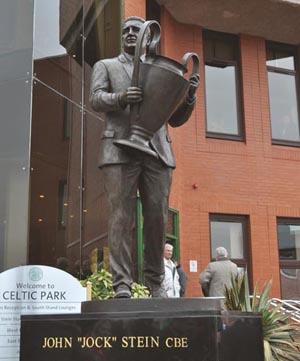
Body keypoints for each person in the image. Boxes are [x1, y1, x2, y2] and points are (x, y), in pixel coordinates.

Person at [90, 16, 199, 298]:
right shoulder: (107, 66)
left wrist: (188, 97)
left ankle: (155, 283)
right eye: (125, 30)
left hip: (157, 152)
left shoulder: (163, 71)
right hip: (119, 149)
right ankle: (122, 285)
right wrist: (121, 97)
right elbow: (96, 98)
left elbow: (174, 120)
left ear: (148, 37)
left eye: (135, 30)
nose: (129, 33)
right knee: (121, 218)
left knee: (157, 219)